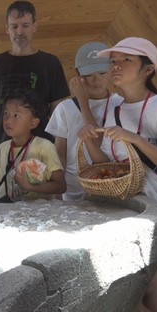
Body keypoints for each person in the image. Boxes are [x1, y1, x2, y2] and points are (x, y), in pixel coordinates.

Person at [79, 37, 157, 312]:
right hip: (123, 206)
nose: (116, 66)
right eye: (113, 60)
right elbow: (107, 164)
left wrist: (133, 138)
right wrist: (89, 139)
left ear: (148, 70)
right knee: (147, 291)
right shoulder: (116, 109)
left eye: (127, 60)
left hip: (154, 208)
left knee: (133, 293)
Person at [0, 0, 69, 194]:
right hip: (1, 148)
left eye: (25, 25)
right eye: (14, 26)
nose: (19, 32)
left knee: (39, 206)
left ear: (34, 26)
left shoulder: (50, 63)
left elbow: (59, 112)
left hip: (40, 148)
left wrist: (59, 152)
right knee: (1, 205)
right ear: (7, 29)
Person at [45, 42, 123, 200]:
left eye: (102, 73)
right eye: (88, 75)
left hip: (108, 189)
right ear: (77, 74)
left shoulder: (121, 105)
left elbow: (98, 145)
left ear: (111, 70)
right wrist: (57, 195)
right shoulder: (65, 108)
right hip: (72, 192)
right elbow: (59, 154)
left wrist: (82, 101)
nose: (95, 80)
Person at [0, 90, 66, 202]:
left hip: (39, 215)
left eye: (16, 115)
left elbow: (61, 186)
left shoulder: (44, 147)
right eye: (6, 113)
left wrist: (29, 187)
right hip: (10, 213)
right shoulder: (3, 148)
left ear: (33, 123)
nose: (8, 120)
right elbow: (1, 183)